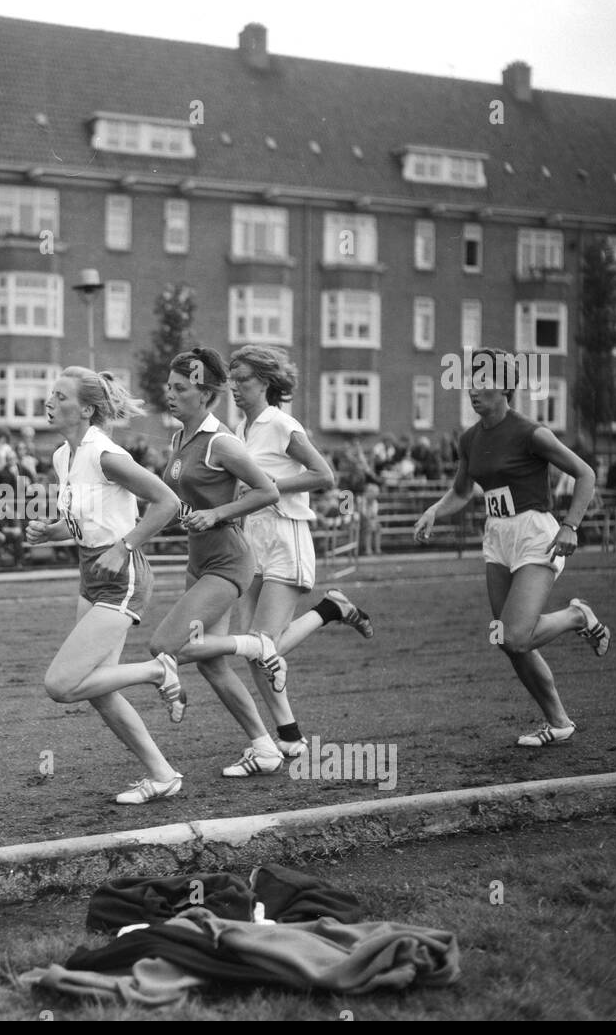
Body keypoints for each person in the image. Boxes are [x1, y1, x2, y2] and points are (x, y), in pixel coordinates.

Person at [413, 348, 610, 748]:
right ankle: (558, 723)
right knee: (507, 638)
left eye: (482, 382)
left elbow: (585, 473)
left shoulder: (530, 432)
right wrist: (436, 510)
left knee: (516, 637)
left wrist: (571, 524)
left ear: (504, 387)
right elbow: (462, 491)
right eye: (469, 381)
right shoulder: (469, 438)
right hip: (498, 536)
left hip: (537, 533)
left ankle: (576, 616)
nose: (472, 390)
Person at [136, 348, 302, 777]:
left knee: (164, 646)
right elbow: (183, 499)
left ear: (206, 393)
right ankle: (265, 749)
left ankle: (257, 645)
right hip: (200, 562)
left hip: (228, 563)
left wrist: (215, 514)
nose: (169, 395)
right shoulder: (178, 439)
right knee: (210, 664)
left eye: (180, 388)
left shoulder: (221, 441)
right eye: (168, 387)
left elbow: (266, 490)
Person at [210, 345, 375, 776]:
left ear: (265, 381)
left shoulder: (281, 423)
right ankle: (289, 737)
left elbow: (324, 475)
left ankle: (330, 608)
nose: (236, 388)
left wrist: (269, 485)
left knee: (261, 645)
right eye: (232, 380)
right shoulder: (240, 430)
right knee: (255, 650)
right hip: (253, 542)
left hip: (286, 537)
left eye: (243, 380)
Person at [25, 367, 185, 806]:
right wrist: (53, 531)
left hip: (122, 577)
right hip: (90, 573)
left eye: (60, 396)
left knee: (62, 685)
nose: (50, 402)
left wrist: (126, 544)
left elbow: (167, 502)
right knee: (99, 690)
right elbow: (86, 519)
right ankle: (162, 775)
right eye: (51, 395)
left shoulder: (105, 454)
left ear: (87, 409)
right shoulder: (64, 455)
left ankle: (158, 671)